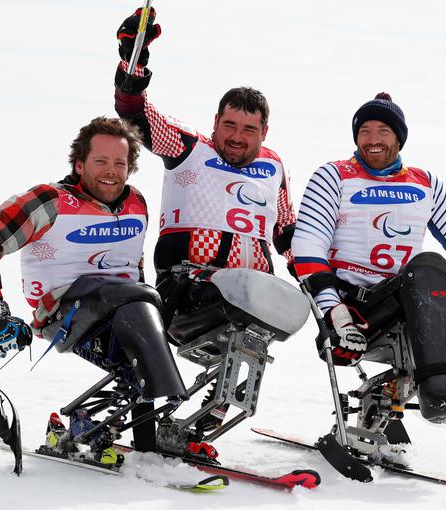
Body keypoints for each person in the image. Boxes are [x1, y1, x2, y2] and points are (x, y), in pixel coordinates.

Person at [292, 93, 446, 431]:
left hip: (408, 300)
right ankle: (441, 390)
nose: (373, 140)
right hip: (356, 306)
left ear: (399, 137)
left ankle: (443, 389)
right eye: (365, 131)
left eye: (383, 131)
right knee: (427, 267)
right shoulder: (335, 176)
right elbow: (308, 244)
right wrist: (334, 310)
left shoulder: (424, 183)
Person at [0, 117, 188, 465]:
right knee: (140, 305)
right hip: (63, 314)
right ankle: (146, 439)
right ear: (80, 164)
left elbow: (133, 266)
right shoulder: (50, 202)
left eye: (120, 163)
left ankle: (130, 434)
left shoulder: (136, 203)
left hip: (123, 306)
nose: (111, 171)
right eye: (100, 161)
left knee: (142, 350)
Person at [112, 8, 297, 432]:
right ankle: (162, 410)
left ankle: (210, 414)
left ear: (264, 132)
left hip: (254, 296)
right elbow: (135, 114)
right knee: (242, 306)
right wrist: (132, 63)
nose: (236, 136)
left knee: (276, 312)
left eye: (248, 128)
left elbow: (288, 231)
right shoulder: (190, 147)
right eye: (229, 124)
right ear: (215, 122)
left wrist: (322, 282)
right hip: (189, 288)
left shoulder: (274, 167)